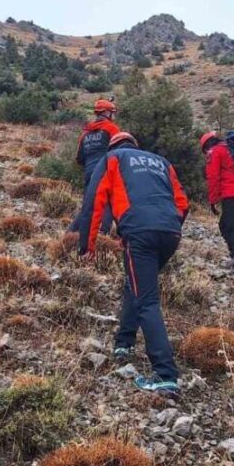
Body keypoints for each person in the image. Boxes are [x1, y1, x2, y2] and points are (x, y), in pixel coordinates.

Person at [79, 132, 189, 396]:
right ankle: (124, 342)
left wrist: (87, 246)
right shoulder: (161, 162)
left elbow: (94, 203)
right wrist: (164, 226)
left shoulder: (113, 158)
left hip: (140, 233)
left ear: (114, 146)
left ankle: (165, 375)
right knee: (137, 285)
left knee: (147, 300)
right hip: (170, 233)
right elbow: (183, 204)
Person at [201, 131, 234, 268]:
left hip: (231, 192)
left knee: (230, 224)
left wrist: (213, 200)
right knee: (225, 224)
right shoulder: (231, 150)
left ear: (206, 146)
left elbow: (213, 177)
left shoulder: (215, 152)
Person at [69, 99, 120, 234]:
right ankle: (103, 235)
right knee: (107, 203)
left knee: (88, 206)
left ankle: (71, 234)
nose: (114, 116)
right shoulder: (112, 129)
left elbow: (79, 158)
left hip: (89, 172)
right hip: (105, 171)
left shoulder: (85, 134)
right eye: (112, 113)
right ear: (106, 113)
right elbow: (120, 150)